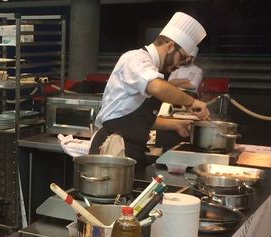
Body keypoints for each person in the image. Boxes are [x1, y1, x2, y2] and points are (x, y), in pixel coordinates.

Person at [90, 12, 211, 168]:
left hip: (131, 151)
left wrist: (175, 125)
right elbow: (157, 87)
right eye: (181, 58)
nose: (179, 65)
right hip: (112, 149)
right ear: (170, 47)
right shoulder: (136, 58)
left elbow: (139, 119)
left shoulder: (154, 70)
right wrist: (191, 102)